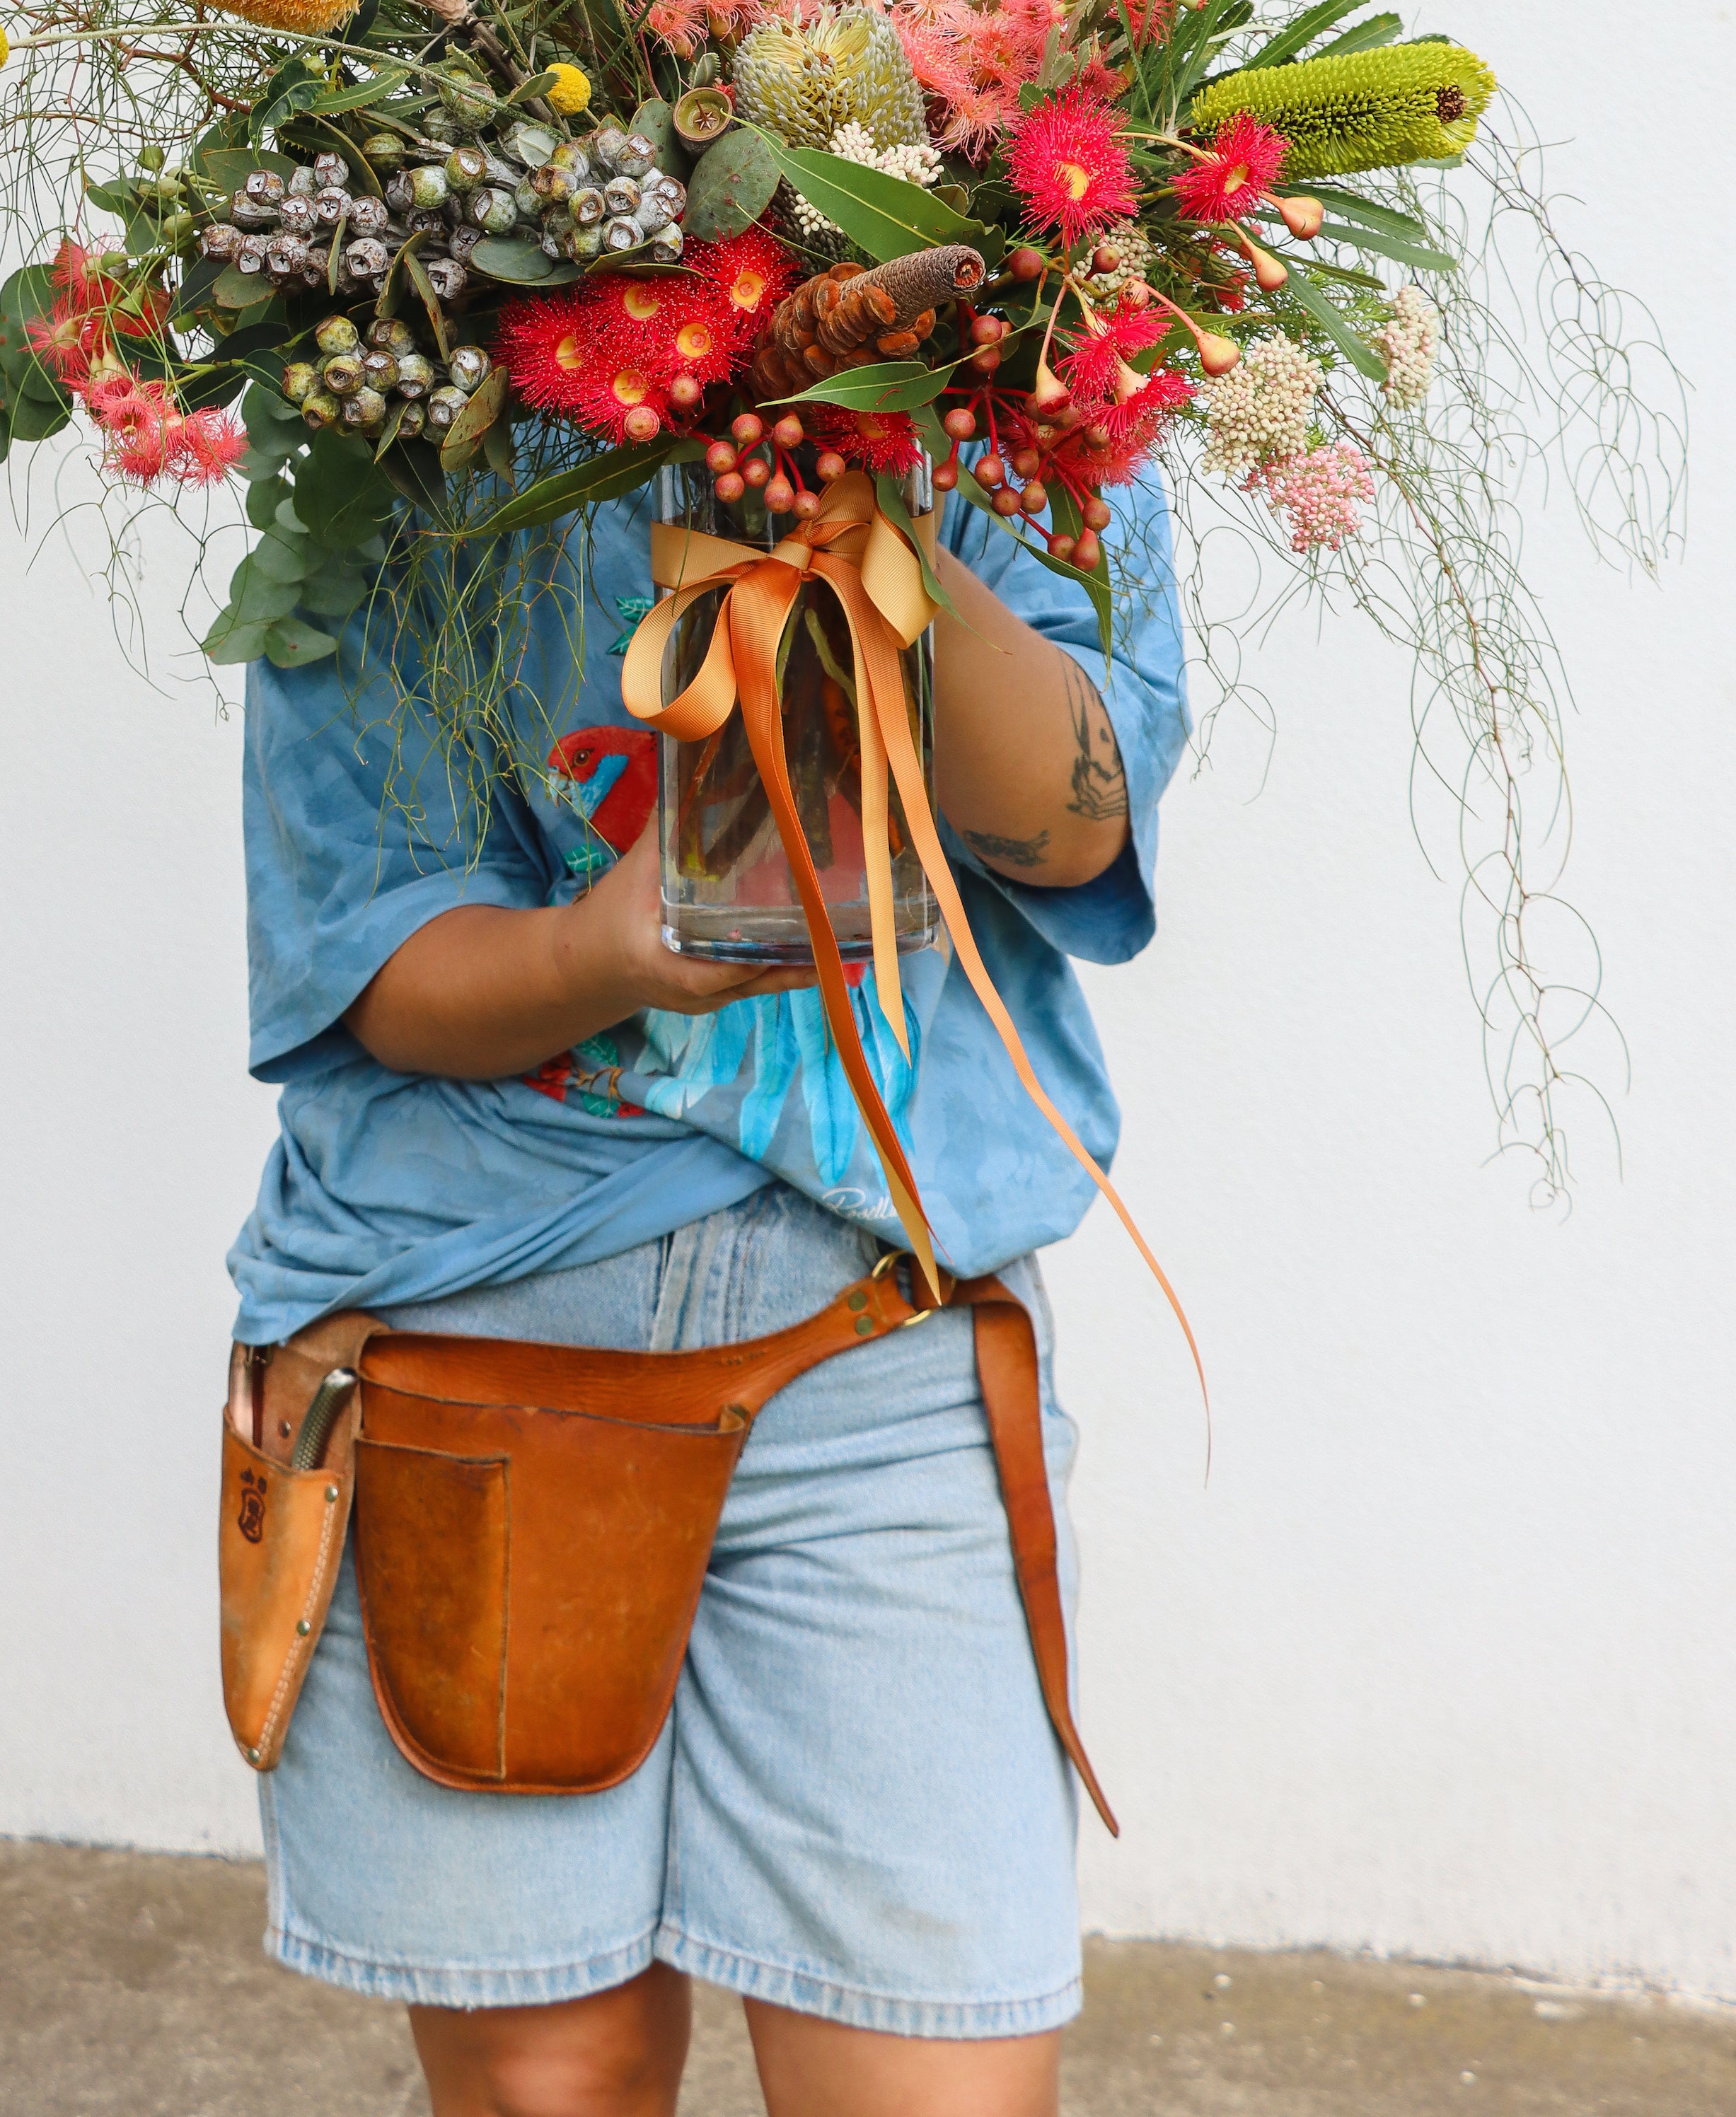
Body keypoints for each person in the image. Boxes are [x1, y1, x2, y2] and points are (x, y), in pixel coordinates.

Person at [231, 409, 1189, 2114]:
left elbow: (1081, 820)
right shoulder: (395, 369)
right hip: (482, 1333)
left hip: (882, 1348)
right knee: (557, 2074)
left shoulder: (1022, 366)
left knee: (939, 2074)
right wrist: (592, 949)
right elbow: (356, 952)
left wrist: (871, 514)